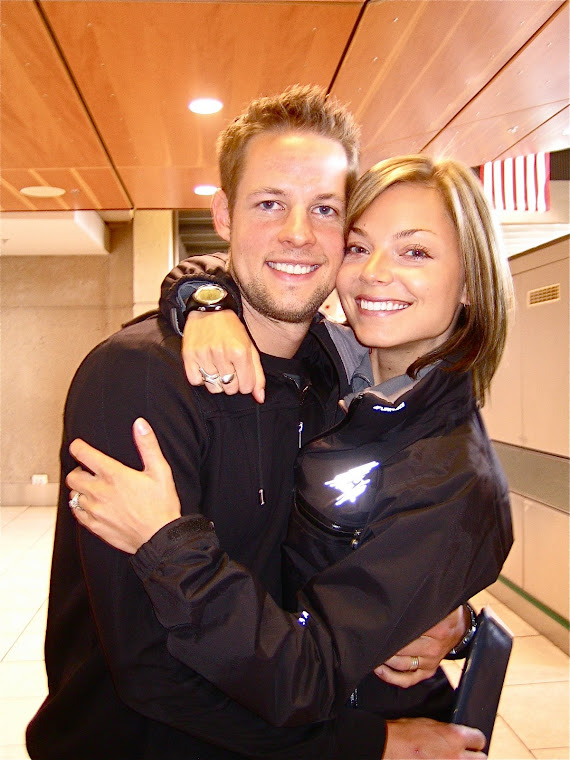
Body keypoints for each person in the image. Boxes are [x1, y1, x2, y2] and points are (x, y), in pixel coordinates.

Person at [28, 86, 485, 760]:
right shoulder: (138, 381)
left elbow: (325, 573)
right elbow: (152, 672)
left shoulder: (328, 373)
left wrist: (449, 618)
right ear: (224, 214)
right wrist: (371, 744)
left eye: (324, 209)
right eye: (270, 203)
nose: (298, 233)